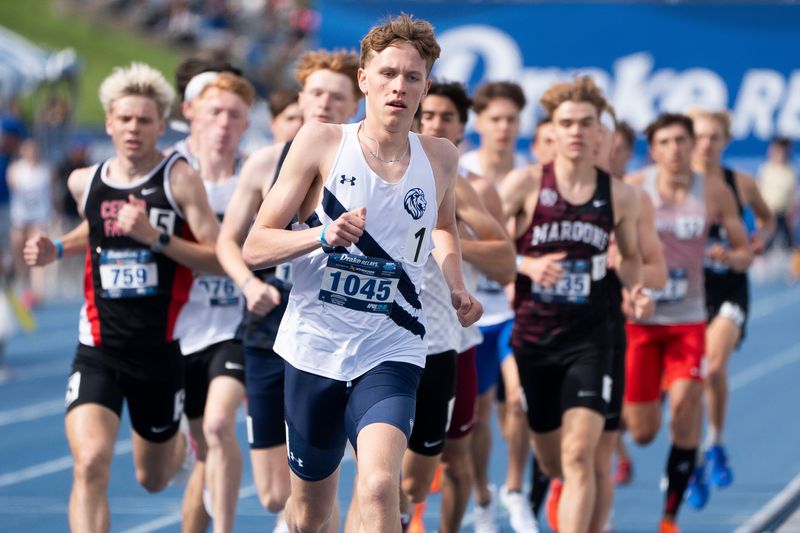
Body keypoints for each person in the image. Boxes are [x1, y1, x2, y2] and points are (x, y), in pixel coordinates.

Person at [242, 15, 482, 533]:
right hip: (315, 346)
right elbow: (255, 246)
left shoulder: (440, 157)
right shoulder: (323, 142)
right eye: (389, 73)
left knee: (378, 486)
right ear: (364, 80)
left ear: (426, 86)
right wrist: (321, 236)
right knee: (308, 515)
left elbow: (442, 227)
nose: (400, 86)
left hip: (391, 345)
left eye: (412, 77)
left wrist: (457, 285)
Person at [22, 62, 222, 533]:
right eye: (125, 119)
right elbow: (96, 226)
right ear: (109, 121)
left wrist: (156, 238)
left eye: (144, 120)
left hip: (158, 352)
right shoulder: (85, 181)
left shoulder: (179, 180)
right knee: (89, 463)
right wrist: (58, 247)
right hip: (98, 348)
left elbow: (218, 256)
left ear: (159, 125)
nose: (134, 128)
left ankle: (177, 446)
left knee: (153, 479)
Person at [215, 49, 361, 532]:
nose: (323, 104)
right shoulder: (263, 163)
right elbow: (229, 241)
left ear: (355, 104)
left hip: (330, 332)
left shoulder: (368, 167)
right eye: (315, 93)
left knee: (320, 476)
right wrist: (245, 283)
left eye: (336, 96)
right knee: (276, 493)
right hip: (266, 327)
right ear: (300, 98)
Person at [500, 76, 648, 533]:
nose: (577, 131)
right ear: (553, 130)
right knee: (553, 458)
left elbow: (633, 258)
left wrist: (635, 287)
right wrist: (526, 266)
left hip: (592, 338)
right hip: (534, 339)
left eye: (586, 123)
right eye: (567, 123)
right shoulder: (524, 185)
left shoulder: (621, 196)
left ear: (599, 131)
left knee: (581, 453)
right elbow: (488, 247)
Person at [624, 113, 753, 533]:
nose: (676, 149)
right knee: (643, 431)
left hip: (688, 321)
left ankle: (668, 517)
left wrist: (729, 257)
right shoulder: (635, 189)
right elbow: (615, 250)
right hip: (642, 323)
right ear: (654, 148)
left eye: (683, 140)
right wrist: (630, 282)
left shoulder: (714, 192)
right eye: (666, 141)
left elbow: (743, 251)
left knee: (684, 409)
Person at [401, 80, 516, 533]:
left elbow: (506, 261)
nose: (433, 124)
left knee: (455, 456)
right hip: (383, 340)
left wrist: (448, 243)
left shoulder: (463, 185)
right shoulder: (370, 167)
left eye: (445, 117)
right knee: (385, 474)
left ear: (462, 129)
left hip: (449, 341)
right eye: (426, 115)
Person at [170, 71, 255, 533]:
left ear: (245, 124)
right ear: (191, 114)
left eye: (234, 115)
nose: (223, 123)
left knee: (221, 425)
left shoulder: (255, 177)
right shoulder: (165, 172)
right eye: (214, 112)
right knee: (179, 459)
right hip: (176, 329)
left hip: (236, 325)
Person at [685, 108, 774, 507]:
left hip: (728, 291)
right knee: (684, 385)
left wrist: (756, 243)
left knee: (714, 366)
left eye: (714, 137)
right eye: (699, 136)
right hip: (684, 295)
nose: (705, 144)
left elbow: (768, 221)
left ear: (725, 141)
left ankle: (715, 442)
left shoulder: (741, 183)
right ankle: (690, 458)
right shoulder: (669, 185)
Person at [459, 81, 535, 533]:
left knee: (520, 401)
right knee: (480, 415)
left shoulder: (530, 174)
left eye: (511, 119)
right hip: (470, 311)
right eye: (495, 119)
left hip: (516, 310)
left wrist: (519, 266)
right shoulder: (458, 171)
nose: (503, 128)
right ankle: (484, 495)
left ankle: (515, 489)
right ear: (480, 123)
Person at [588, 111, 667, 533]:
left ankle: (598, 516)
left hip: (615, 327)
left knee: (599, 440)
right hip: (550, 328)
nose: (606, 151)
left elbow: (657, 271)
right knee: (556, 446)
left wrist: (632, 276)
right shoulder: (552, 189)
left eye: (615, 146)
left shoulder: (634, 197)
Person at [7, 138, 55, 306]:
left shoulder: (45, 170)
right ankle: (24, 283)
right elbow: (12, 188)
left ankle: (38, 291)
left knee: (36, 253)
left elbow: (51, 193)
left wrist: (55, 213)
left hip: (39, 217)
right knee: (19, 251)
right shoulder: (15, 170)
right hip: (20, 218)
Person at [758, 137, 795, 252]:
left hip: (783, 214)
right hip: (768, 213)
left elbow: (791, 195)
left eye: (783, 152)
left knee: (788, 245)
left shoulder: (790, 171)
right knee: (765, 244)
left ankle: (792, 268)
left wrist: (791, 214)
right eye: (776, 151)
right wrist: (759, 215)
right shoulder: (766, 170)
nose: (779, 155)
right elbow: (759, 193)